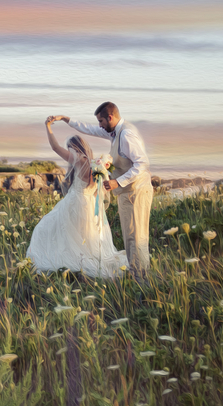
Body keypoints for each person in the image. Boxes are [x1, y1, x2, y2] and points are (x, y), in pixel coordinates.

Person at [47, 102, 153, 280]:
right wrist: (66, 119)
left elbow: (142, 164)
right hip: (127, 192)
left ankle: (141, 278)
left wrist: (117, 182)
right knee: (130, 237)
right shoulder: (115, 132)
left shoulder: (126, 134)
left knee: (136, 237)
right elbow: (88, 129)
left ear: (110, 117)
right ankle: (138, 273)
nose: (99, 126)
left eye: (101, 121)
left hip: (136, 191)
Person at [25, 119, 128, 279]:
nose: (69, 153)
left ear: (74, 148)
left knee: (46, 229)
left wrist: (48, 127)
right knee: (83, 238)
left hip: (75, 203)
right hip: (89, 205)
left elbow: (54, 147)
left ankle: (73, 264)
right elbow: (95, 192)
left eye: (70, 149)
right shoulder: (96, 166)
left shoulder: (78, 159)